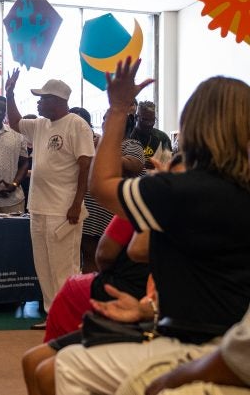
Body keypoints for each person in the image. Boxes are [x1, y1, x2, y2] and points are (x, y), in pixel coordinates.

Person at [54, 59, 250, 395]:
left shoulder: (182, 191)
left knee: (68, 366)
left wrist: (117, 110)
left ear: (193, 127)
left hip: (197, 345)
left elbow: (101, 185)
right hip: (229, 336)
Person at [21, 216, 150, 395]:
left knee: (48, 371)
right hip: (142, 306)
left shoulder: (145, 209)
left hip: (135, 304)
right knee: (31, 360)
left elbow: (110, 253)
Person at [5, 72, 95, 325]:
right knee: (43, 265)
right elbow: (15, 122)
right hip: (38, 207)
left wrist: (77, 202)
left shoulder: (76, 124)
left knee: (64, 266)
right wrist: (9, 94)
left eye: (42, 98)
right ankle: (53, 314)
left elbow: (85, 164)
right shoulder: (41, 125)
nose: (38, 103)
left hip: (64, 209)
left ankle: (72, 315)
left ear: (57, 100)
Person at [116, 304, 250, 395]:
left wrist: (172, 379)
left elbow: (239, 358)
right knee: (138, 382)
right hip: (226, 341)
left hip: (214, 340)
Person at [80, 109, 144, 272]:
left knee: (107, 258)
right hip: (90, 210)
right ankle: (89, 291)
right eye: (103, 119)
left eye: (108, 119)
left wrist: (104, 150)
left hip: (110, 212)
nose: (103, 123)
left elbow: (134, 166)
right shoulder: (95, 143)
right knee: (88, 256)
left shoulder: (131, 144)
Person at [129, 100, 172, 170]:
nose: (149, 123)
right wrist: (140, 164)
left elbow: (168, 165)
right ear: (136, 118)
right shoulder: (128, 137)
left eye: (152, 120)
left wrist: (158, 164)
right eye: (145, 119)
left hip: (156, 179)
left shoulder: (163, 138)